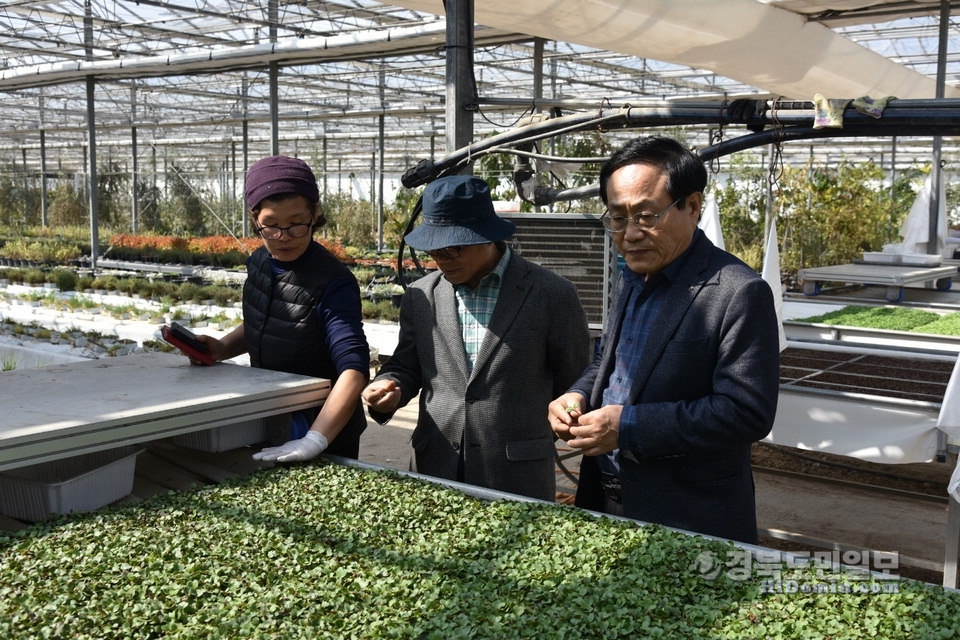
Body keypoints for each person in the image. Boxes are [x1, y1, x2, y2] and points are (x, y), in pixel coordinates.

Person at [548, 136, 780, 544]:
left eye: (646, 216)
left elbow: (746, 412)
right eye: (617, 218)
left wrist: (629, 426)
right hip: (606, 493)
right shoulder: (632, 278)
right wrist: (577, 394)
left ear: (691, 206)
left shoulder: (737, 292)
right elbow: (610, 360)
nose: (630, 234)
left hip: (687, 512)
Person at [361, 174, 591, 501]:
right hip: (435, 465)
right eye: (434, 250)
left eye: (453, 249)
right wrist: (391, 387)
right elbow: (408, 365)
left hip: (516, 474)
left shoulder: (551, 295)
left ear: (485, 236)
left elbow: (575, 381)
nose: (441, 260)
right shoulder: (422, 296)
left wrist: (565, 417)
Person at [189, 154, 370, 462]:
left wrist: (315, 439)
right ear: (254, 218)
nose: (284, 237)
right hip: (271, 415)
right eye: (271, 226)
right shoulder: (259, 262)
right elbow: (269, 323)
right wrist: (222, 347)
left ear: (315, 213)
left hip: (323, 427)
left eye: (297, 224)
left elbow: (353, 369)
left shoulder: (332, 282)